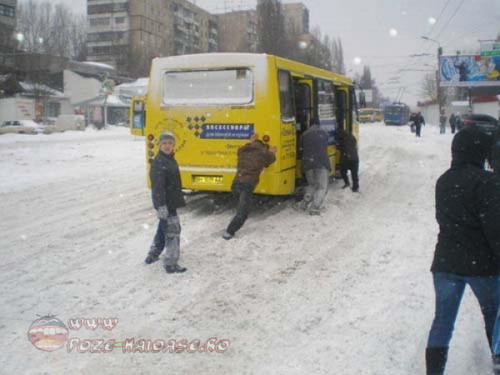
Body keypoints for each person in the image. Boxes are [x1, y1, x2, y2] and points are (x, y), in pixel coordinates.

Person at [425, 125, 500, 375]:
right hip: (483, 266)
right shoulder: (487, 182)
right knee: (494, 316)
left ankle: (434, 372)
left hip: (445, 263)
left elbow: (444, 219)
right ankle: (497, 361)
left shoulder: (443, 180)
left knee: (443, 321)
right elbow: (494, 227)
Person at [144, 132, 187, 274]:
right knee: (173, 231)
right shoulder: (159, 162)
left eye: (170, 143)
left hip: (170, 201)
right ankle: (171, 264)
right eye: (164, 143)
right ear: (159, 145)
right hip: (166, 203)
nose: (167, 146)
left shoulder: (168, 159)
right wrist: (161, 206)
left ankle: (153, 254)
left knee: (164, 229)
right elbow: (158, 187)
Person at [223, 134, 276, 240]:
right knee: (243, 213)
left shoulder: (243, 150)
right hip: (247, 184)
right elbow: (271, 159)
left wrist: (251, 142)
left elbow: (243, 150)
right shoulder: (263, 153)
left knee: (241, 206)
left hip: (236, 183)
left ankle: (233, 224)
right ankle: (229, 232)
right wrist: (272, 152)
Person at [294, 124, 330, 215]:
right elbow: (326, 145)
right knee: (322, 187)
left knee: (312, 184)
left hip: (307, 163)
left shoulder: (304, 134)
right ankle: (315, 207)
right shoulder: (324, 133)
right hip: (321, 163)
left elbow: (301, 148)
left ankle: (304, 204)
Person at [337, 128, 359, 193]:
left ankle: (347, 183)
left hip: (347, 159)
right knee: (354, 174)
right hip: (355, 159)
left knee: (343, 171)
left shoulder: (343, 141)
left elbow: (341, 148)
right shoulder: (352, 137)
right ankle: (355, 188)